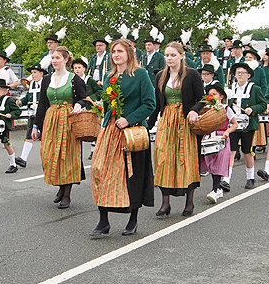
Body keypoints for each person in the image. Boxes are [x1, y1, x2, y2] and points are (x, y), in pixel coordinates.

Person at [90, 39, 156, 238]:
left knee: (131, 174)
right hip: (110, 130)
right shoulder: (109, 75)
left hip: (131, 132)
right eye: (113, 51)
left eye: (120, 51)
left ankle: (133, 219)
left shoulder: (140, 75)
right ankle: (103, 221)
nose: (116, 55)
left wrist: (129, 119)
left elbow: (149, 104)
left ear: (129, 54)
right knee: (99, 169)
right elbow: (108, 104)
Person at [148, 41, 205, 217]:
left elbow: (203, 99)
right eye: (167, 55)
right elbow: (158, 104)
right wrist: (147, 125)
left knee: (186, 159)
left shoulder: (192, 74)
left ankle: (189, 202)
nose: (169, 58)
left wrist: (195, 111)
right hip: (167, 121)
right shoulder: (160, 76)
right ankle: (165, 204)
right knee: (164, 158)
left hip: (185, 121)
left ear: (182, 56)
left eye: (173, 55)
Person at [31, 46, 90, 209]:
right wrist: (36, 125)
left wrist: (78, 104)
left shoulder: (74, 79)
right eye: (53, 58)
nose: (54, 60)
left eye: (57, 57)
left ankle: (66, 194)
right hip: (51, 120)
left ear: (66, 59)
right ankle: (60, 186)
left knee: (67, 156)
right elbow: (43, 103)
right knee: (50, 154)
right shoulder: (47, 79)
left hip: (68, 120)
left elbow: (84, 99)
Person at [228, 62, 266, 189]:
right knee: (231, 151)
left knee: (246, 151)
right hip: (232, 124)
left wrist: (252, 109)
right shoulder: (230, 88)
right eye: (237, 73)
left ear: (248, 75)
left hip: (247, 125)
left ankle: (250, 178)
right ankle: (226, 179)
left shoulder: (255, 89)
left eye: (242, 73)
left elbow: (263, 105)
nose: (239, 75)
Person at [201, 85, 238, 203]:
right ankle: (217, 188)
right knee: (211, 164)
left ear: (221, 96)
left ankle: (214, 190)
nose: (212, 96)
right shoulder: (207, 109)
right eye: (210, 94)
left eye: (215, 94)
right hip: (209, 137)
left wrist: (227, 131)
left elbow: (235, 124)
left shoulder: (226, 109)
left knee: (219, 163)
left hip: (221, 138)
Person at [15, 59, 43, 169]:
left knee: (46, 137)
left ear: (41, 73)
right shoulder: (31, 85)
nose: (32, 75)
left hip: (43, 113)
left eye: (35, 72)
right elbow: (28, 97)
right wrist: (21, 101)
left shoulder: (46, 84)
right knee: (29, 136)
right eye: (32, 73)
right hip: (32, 113)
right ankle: (23, 158)